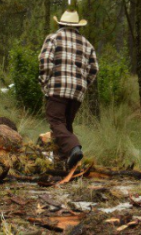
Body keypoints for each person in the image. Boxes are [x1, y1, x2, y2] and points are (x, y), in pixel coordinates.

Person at [38, 10, 99, 169]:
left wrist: (45, 84)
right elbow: (94, 69)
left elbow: (45, 61)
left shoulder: (53, 38)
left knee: (56, 121)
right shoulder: (87, 44)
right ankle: (65, 164)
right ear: (77, 27)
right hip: (77, 92)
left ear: (60, 24)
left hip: (58, 88)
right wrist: (83, 84)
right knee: (65, 127)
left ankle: (74, 148)